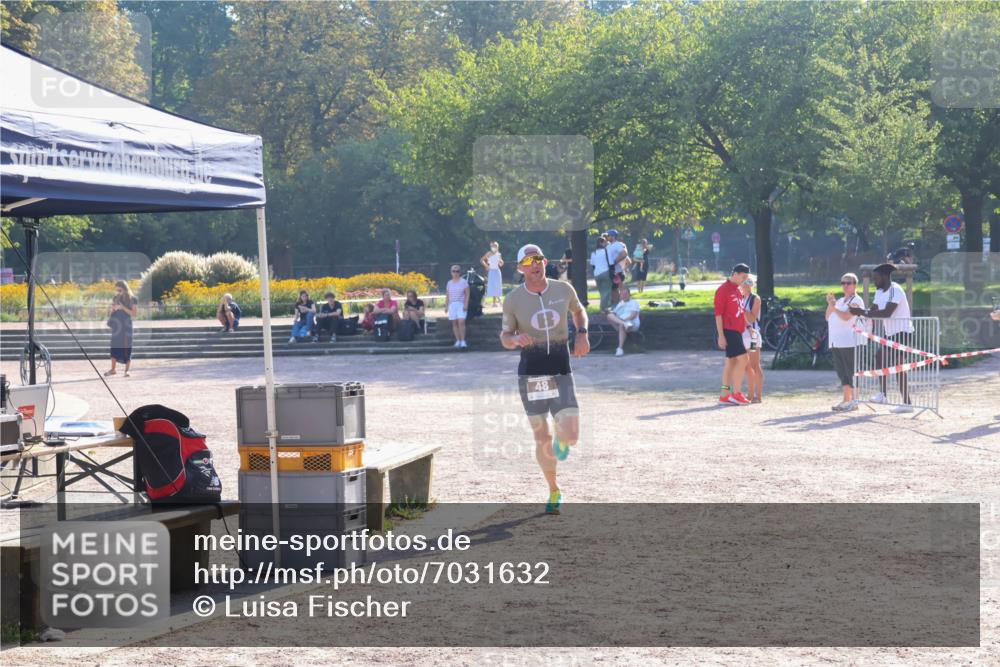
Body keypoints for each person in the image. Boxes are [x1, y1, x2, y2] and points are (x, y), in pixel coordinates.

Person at [501, 244, 589, 515]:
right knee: (542, 436)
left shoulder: (563, 289)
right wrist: (515, 338)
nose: (534, 264)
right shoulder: (514, 299)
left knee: (571, 435)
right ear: (520, 268)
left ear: (545, 261)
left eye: (537, 258)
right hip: (532, 373)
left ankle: (563, 443)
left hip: (561, 370)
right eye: (528, 260)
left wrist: (582, 332)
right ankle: (553, 489)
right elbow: (504, 337)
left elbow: (579, 310)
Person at [850, 263, 914, 413]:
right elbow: (873, 310)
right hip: (889, 333)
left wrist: (862, 312)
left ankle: (907, 403)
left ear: (885, 277)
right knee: (880, 358)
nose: (874, 281)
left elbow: (886, 313)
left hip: (903, 332)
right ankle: (883, 394)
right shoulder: (879, 292)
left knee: (898, 365)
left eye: (876, 278)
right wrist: (860, 312)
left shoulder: (895, 290)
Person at [826, 272, 865, 412]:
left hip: (850, 341)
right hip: (837, 341)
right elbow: (827, 317)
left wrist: (833, 306)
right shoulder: (841, 301)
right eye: (843, 283)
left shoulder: (856, 300)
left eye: (848, 283)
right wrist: (831, 304)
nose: (845, 286)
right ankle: (846, 400)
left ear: (855, 285)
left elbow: (846, 317)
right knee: (842, 373)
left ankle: (855, 401)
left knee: (852, 372)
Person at [714, 264, 751, 405]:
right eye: (743, 277)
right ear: (735, 274)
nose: (744, 280)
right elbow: (718, 314)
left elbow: (740, 312)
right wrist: (721, 335)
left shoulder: (737, 290)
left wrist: (748, 326)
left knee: (731, 362)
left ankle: (724, 394)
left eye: (746, 278)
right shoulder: (723, 290)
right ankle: (736, 393)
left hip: (737, 330)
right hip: (728, 330)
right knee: (743, 359)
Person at [740, 276, 764, 403]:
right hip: (743, 335)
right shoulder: (741, 298)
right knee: (746, 366)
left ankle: (758, 395)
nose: (743, 287)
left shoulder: (756, 298)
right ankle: (750, 394)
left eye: (745, 284)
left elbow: (753, 318)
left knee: (754, 365)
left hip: (753, 336)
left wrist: (741, 310)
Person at [106, 280, 137, 377]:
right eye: (117, 290)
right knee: (114, 346)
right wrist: (113, 309)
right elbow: (110, 313)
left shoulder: (133, 299)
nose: (118, 292)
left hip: (127, 325)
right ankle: (113, 369)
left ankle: (126, 371)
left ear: (125, 289)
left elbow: (134, 313)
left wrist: (122, 307)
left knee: (127, 346)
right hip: (117, 325)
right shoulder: (115, 298)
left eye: (120, 290)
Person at [608, 285, 640, 357]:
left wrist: (623, 320)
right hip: (623, 323)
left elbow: (633, 315)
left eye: (626, 294)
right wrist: (609, 312)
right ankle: (623, 323)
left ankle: (620, 348)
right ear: (620, 295)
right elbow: (614, 313)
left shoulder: (634, 302)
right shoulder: (620, 303)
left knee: (622, 325)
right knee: (608, 314)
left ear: (629, 294)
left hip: (632, 323)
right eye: (622, 294)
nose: (624, 296)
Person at [446, 264, 470, 348]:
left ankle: (463, 340)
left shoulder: (464, 282)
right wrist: (446, 306)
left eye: (457, 271)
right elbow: (448, 295)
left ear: (459, 272)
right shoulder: (449, 283)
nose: (455, 273)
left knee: (461, 321)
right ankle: (458, 340)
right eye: (454, 271)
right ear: (451, 272)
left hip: (461, 304)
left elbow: (467, 294)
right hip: (452, 305)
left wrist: (466, 304)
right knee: (454, 323)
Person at [604, 229, 629, 306]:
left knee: (616, 289)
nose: (606, 237)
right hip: (611, 271)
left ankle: (620, 305)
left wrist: (614, 262)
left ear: (613, 236)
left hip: (617, 271)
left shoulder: (618, 244)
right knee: (612, 289)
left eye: (608, 236)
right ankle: (615, 305)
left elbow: (624, 253)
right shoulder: (609, 245)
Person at [590, 236, 613, 312]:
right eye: (605, 242)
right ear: (601, 243)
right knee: (606, 292)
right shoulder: (607, 251)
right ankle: (603, 309)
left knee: (601, 292)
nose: (606, 243)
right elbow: (611, 263)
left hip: (597, 274)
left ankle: (605, 308)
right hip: (605, 272)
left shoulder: (593, 253)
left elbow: (593, 265)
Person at [481, 242, 504, 307]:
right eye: (493, 246)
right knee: (490, 286)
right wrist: (486, 266)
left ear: (498, 247)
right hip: (491, 271)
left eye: (496, 246)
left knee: (497, 286)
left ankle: (495, 302)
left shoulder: (499, 254)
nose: (494, 247)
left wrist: (501, 262)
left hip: (497, 271)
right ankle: (483, 301)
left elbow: (500, 264)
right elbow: (482, 260)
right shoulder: (489, 253)